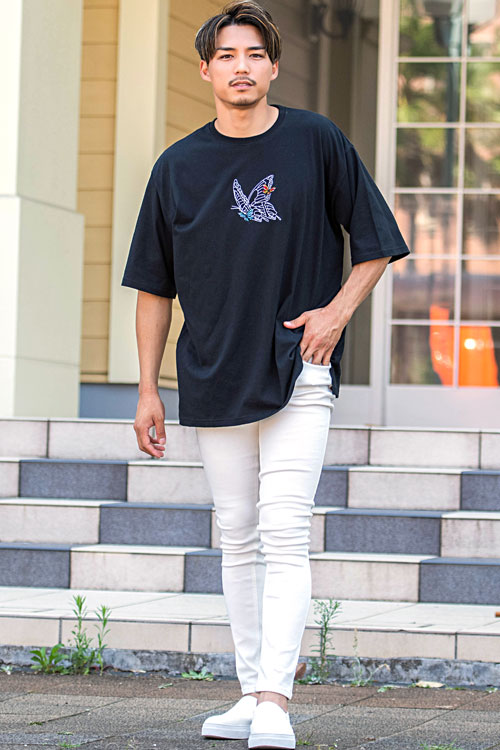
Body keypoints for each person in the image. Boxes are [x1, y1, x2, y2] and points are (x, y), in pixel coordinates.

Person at [121, 2, 410, 747]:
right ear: (205, 70)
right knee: (238, 535)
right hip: (212, 371)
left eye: (254, 54)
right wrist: (148, 388)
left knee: (284, 529)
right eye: (226, 55)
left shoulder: (316, 141)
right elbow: (153, 286)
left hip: (297, 364)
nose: (241, 66)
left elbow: (376, 241)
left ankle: (277, 700)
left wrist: (335, 313)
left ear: (274, 66)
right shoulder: (177, 166)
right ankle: (252, 692)